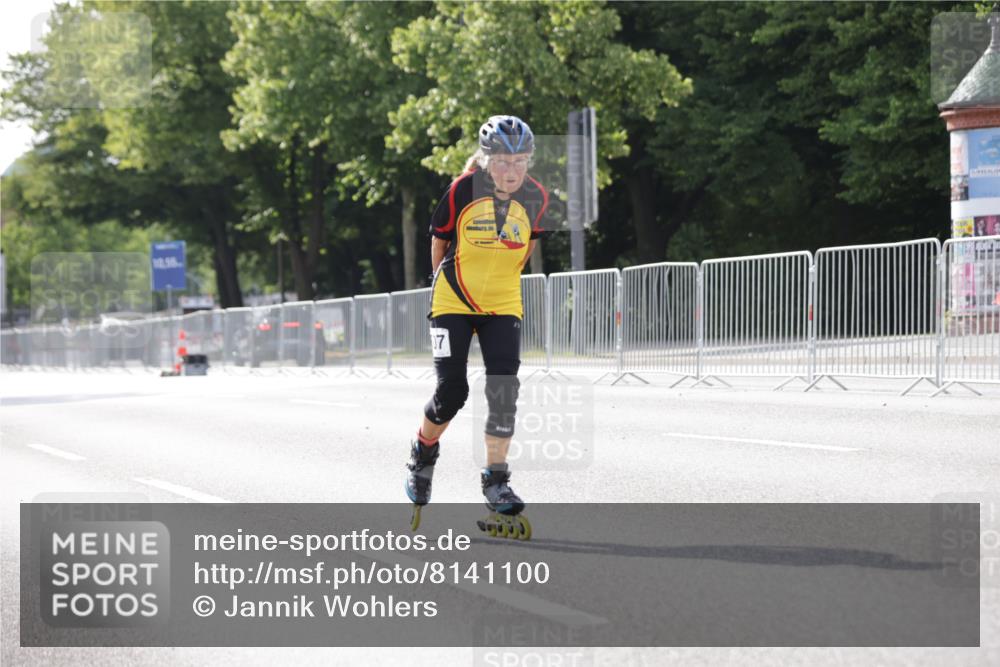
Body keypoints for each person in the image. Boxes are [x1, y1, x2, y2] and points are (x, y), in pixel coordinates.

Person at [405, 115, 548, 537]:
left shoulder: (537, 196)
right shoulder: (462, 190)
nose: (512, 170)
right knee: (453, 390)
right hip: (452, 299)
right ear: (487, 160)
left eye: (520, 161)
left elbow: (526, 247)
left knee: (504, 391)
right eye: (503, 160)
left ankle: (496, 479)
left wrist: (500, 284)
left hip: (502, 302)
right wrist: (441, 290)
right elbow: (439, 242)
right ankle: (423, 452)